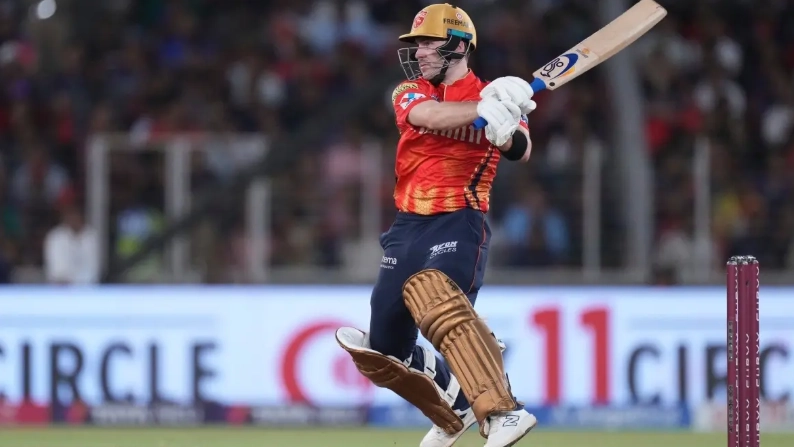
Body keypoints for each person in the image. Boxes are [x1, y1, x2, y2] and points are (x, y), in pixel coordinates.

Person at [335, 4, 538, 447]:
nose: (419, 52)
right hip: (407, 226)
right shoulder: (410, 90)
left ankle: (504, 411)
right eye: (418, 44)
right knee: (384, 351)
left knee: (438, 300)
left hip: (459, 220)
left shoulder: (498, 95)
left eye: (428, 43)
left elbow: (522, 150)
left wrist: (505, 129)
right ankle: (458, 398)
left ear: (459, 47)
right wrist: (482, 109)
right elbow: (429, 116)